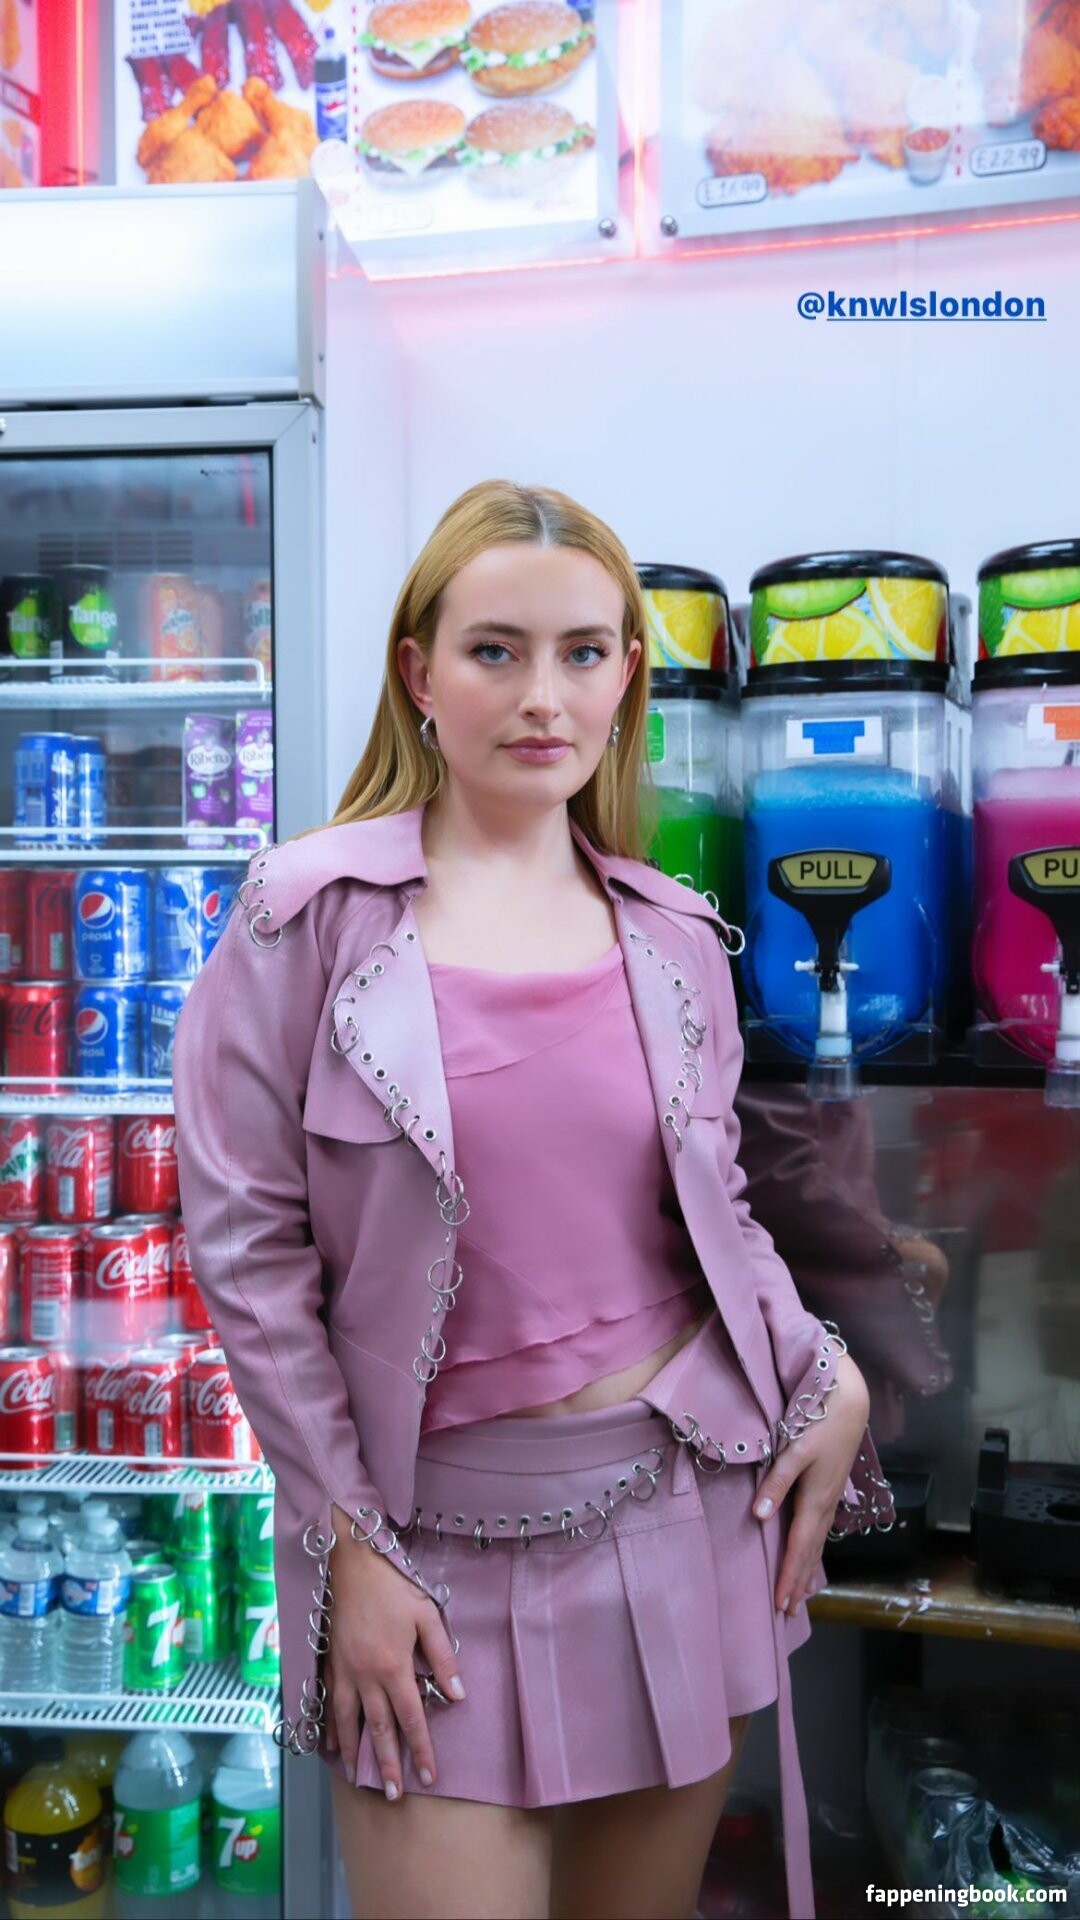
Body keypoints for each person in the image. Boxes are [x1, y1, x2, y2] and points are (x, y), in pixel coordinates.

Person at [174, 481, 892, 1920]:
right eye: (495, 650)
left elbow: (715, 1212)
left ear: (628, 678)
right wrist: (347, 1551)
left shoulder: (675, 937)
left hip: (678, 1517)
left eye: (584, 652)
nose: (543, 696)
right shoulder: (302, 919)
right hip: (422, 1552)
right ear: (419, 672)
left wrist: (827, 1369)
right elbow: (249, 1258)